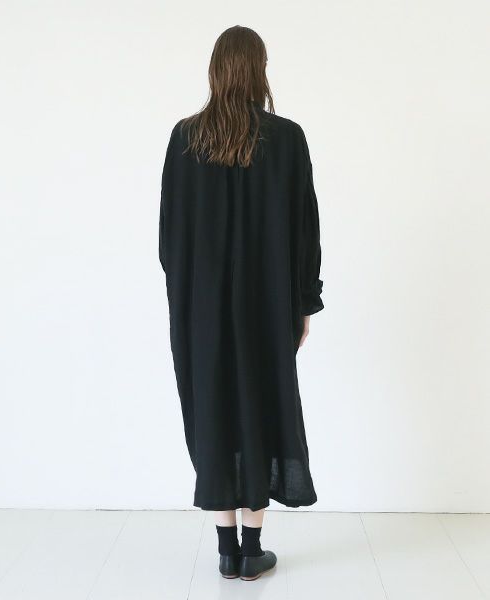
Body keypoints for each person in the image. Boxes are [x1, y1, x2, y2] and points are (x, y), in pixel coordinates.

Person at [159, 25, 324, 581]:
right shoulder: (288, 138)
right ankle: (252, 549)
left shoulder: (185, 138)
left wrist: (189, 299)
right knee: (263, 403)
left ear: (215, 70)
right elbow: (305, 230)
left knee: (213, 408)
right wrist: (304, 301)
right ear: (259, 69)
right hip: (268, 304)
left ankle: (227, 550)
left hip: (198, 309)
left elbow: (168, 237)